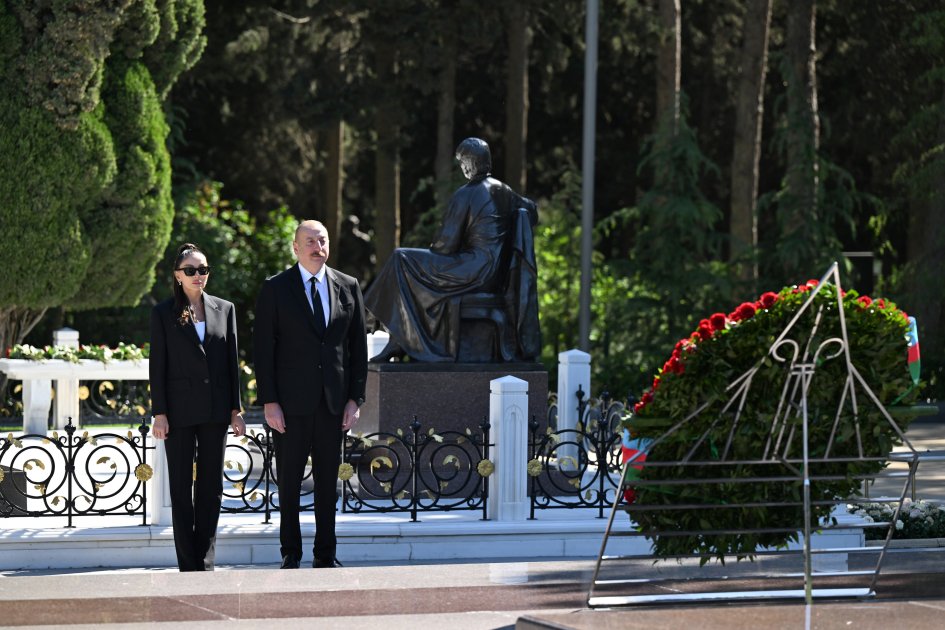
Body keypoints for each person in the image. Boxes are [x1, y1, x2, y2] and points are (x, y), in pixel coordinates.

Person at [253, 220, 368, 569]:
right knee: (288, 482)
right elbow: (263, 349)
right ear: (295, 247)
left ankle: (325, 553)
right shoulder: (275, 288)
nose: (318, 246)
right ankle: (291, 551)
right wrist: (269, 401)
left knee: (326, 484)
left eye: (323, 240)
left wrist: (355, 399)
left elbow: (357, 349)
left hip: (333, 404)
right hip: (289, 404)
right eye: (310, 241)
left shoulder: (348, 286)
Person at [365, 137, 538, 362]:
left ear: (470, 163)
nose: (462, 168)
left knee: (402, 258)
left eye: (462, 162)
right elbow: (532, 210)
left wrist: (433, 248)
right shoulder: (505, 191)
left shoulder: (466, 193)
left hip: (471, 269)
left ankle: (372, 321)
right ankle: (396, 339)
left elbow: (445, 247)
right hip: (494, 273)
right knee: (408, 265)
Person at [149, 243, 246, 572]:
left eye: (203, 269)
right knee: (180, 488)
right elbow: (157, 365)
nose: (198, 275)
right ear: (177, 275)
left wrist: (236, 408)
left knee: (211, 487)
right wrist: (159, 412)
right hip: (177, 412)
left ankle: (205, 560)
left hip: (216, 411)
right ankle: (187, 562)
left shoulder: (225, 309)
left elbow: (232, 361)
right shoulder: (162, 312)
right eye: (190, 270)